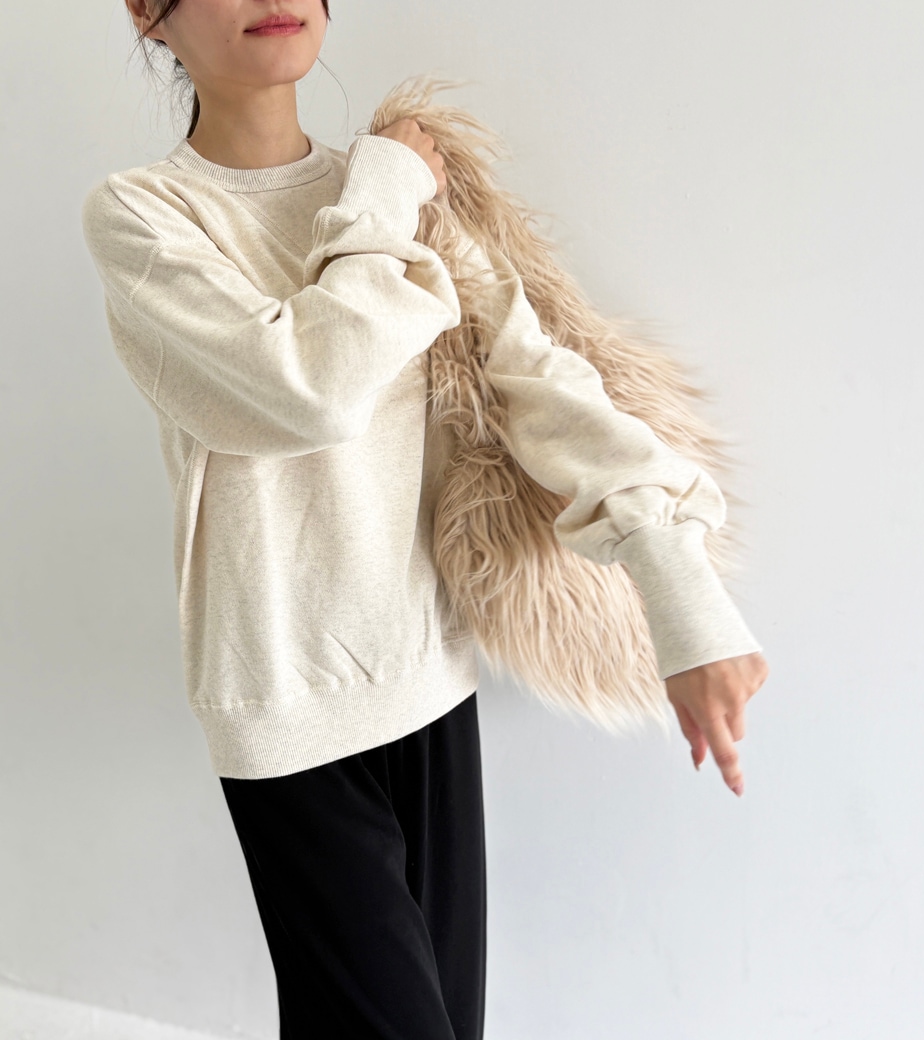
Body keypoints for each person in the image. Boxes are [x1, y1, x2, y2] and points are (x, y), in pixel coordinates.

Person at [80, 1, 770, 1036]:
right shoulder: (147, 216)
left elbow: (539, 384)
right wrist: (383, 194)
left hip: (428, 679)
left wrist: (684, 602)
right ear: (148, 13)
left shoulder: (400, 187)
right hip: (286, 705)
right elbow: (308, 389)